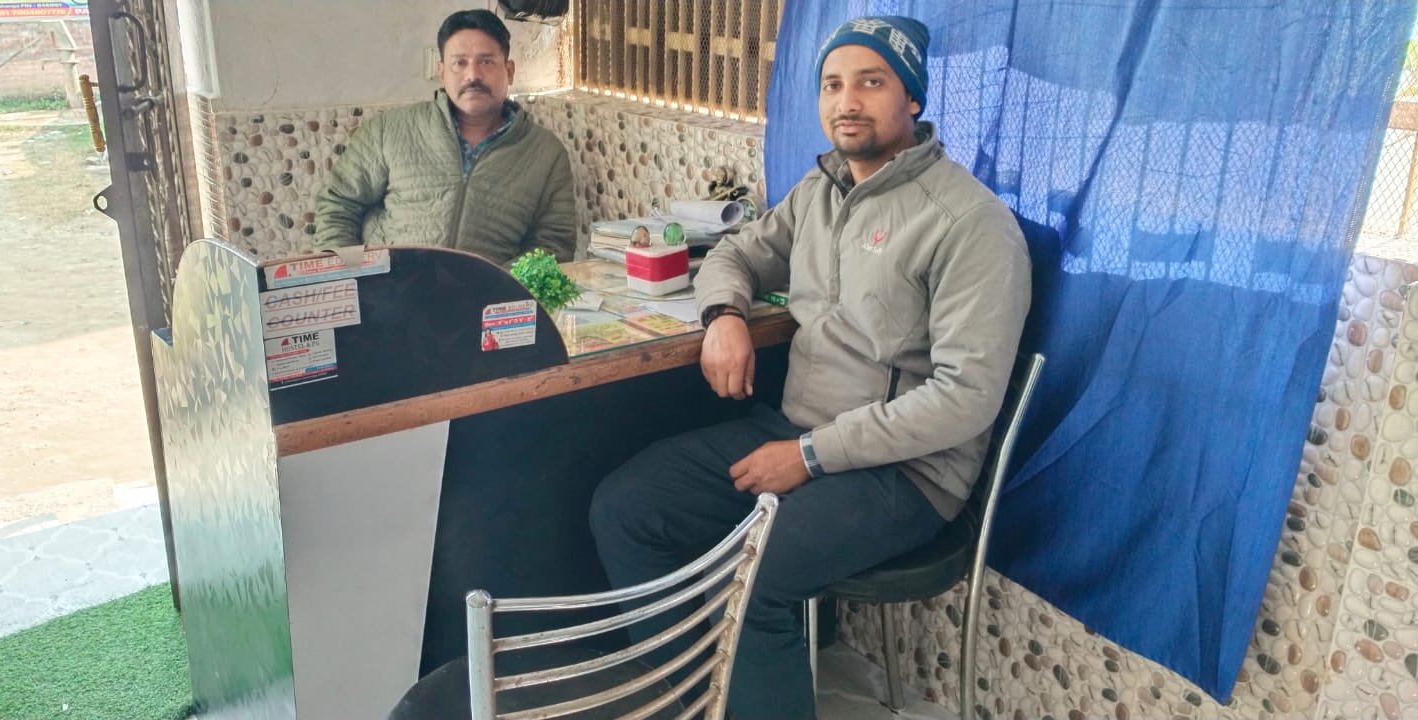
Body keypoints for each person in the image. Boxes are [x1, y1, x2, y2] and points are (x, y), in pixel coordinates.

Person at [588, 16, 1031, 719]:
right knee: (629, 507)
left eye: (871, 82)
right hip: (794, 431)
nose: (846, 101)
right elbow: (735, 253)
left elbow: (965, 398)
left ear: (912, 98)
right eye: (831, 84)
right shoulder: (821, 189)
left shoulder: (968, 223)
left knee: (753, 579)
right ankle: (690, 696)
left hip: (904, 472)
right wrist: (723, 316)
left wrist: (809, 456)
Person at [312, 9, 576, 266]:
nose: (473, 75)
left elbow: (554, 244)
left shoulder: (545, 153)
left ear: (509, 70)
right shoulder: (389, 130)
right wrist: (351, 278)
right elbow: (338, 205)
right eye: (459, 63)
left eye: (486, 62)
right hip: (392, 288)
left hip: (489, 293)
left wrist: (499, 285)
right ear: (441, 72)